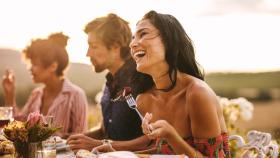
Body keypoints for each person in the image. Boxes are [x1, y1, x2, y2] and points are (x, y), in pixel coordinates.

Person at [129, 10, 231, 158]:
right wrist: (114, 153)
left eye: (143, 34)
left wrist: (170, 134)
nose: (132, 44)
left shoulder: (197, 94)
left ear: (169, 40)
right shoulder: (144, 100)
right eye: (132, 38)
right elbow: (163, 152)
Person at [67, 13, 154, 152]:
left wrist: (98, 145)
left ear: (115, 47)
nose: (88, 54)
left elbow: (154, 138)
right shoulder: (109, 83)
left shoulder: (143, 79)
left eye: (93, 46)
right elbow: (104, 131)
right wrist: (69, 139)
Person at [2, 32, 88, 137]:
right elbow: (18, 126)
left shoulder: (76, 95)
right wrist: (9, 95)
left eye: (35, 64)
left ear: (53, 66)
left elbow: (81, 138)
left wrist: (50, 135)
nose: (30, 68)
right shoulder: (36, 94)